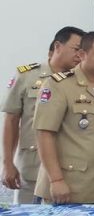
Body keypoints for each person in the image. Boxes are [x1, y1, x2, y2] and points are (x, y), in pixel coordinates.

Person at [33, 31, 94, 204]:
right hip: (69, 186)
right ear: (82, 54)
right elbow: (45, 134)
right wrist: (56, 180)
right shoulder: (58, 85)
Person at [2, 26, 85, 203]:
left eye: (83, 51)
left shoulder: (82, 81)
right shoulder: (27, 76)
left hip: (71, 169)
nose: (80, 55)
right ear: (58, 46)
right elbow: (11, 120)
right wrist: (7, 163)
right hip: (32, 166)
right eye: (76, 49)